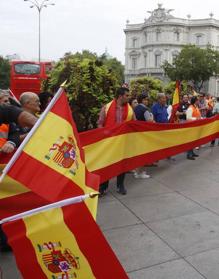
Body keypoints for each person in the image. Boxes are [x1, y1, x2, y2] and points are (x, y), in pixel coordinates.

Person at [98, 87, 135, 195]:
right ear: (120, 96)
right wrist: (104, 135)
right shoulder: (106, 107)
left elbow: (134, 123)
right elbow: (100, 123)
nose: (128, 98)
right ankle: (103, 187)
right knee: (107, 163)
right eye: (127, 95)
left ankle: (120, 185)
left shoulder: (130, 110)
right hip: (109, 142)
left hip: (123, 141)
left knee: (122, 164)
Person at [133, 93, 153, 179]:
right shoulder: (145, 109)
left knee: (138, 153)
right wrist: (152, 117)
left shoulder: (135, 108)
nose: (147, 101)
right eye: (146, 99)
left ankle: (137, 171)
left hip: (136, 133)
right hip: (144, 134)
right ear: (143, 100)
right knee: (143, 154)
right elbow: (149, 121)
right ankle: (140, 172)